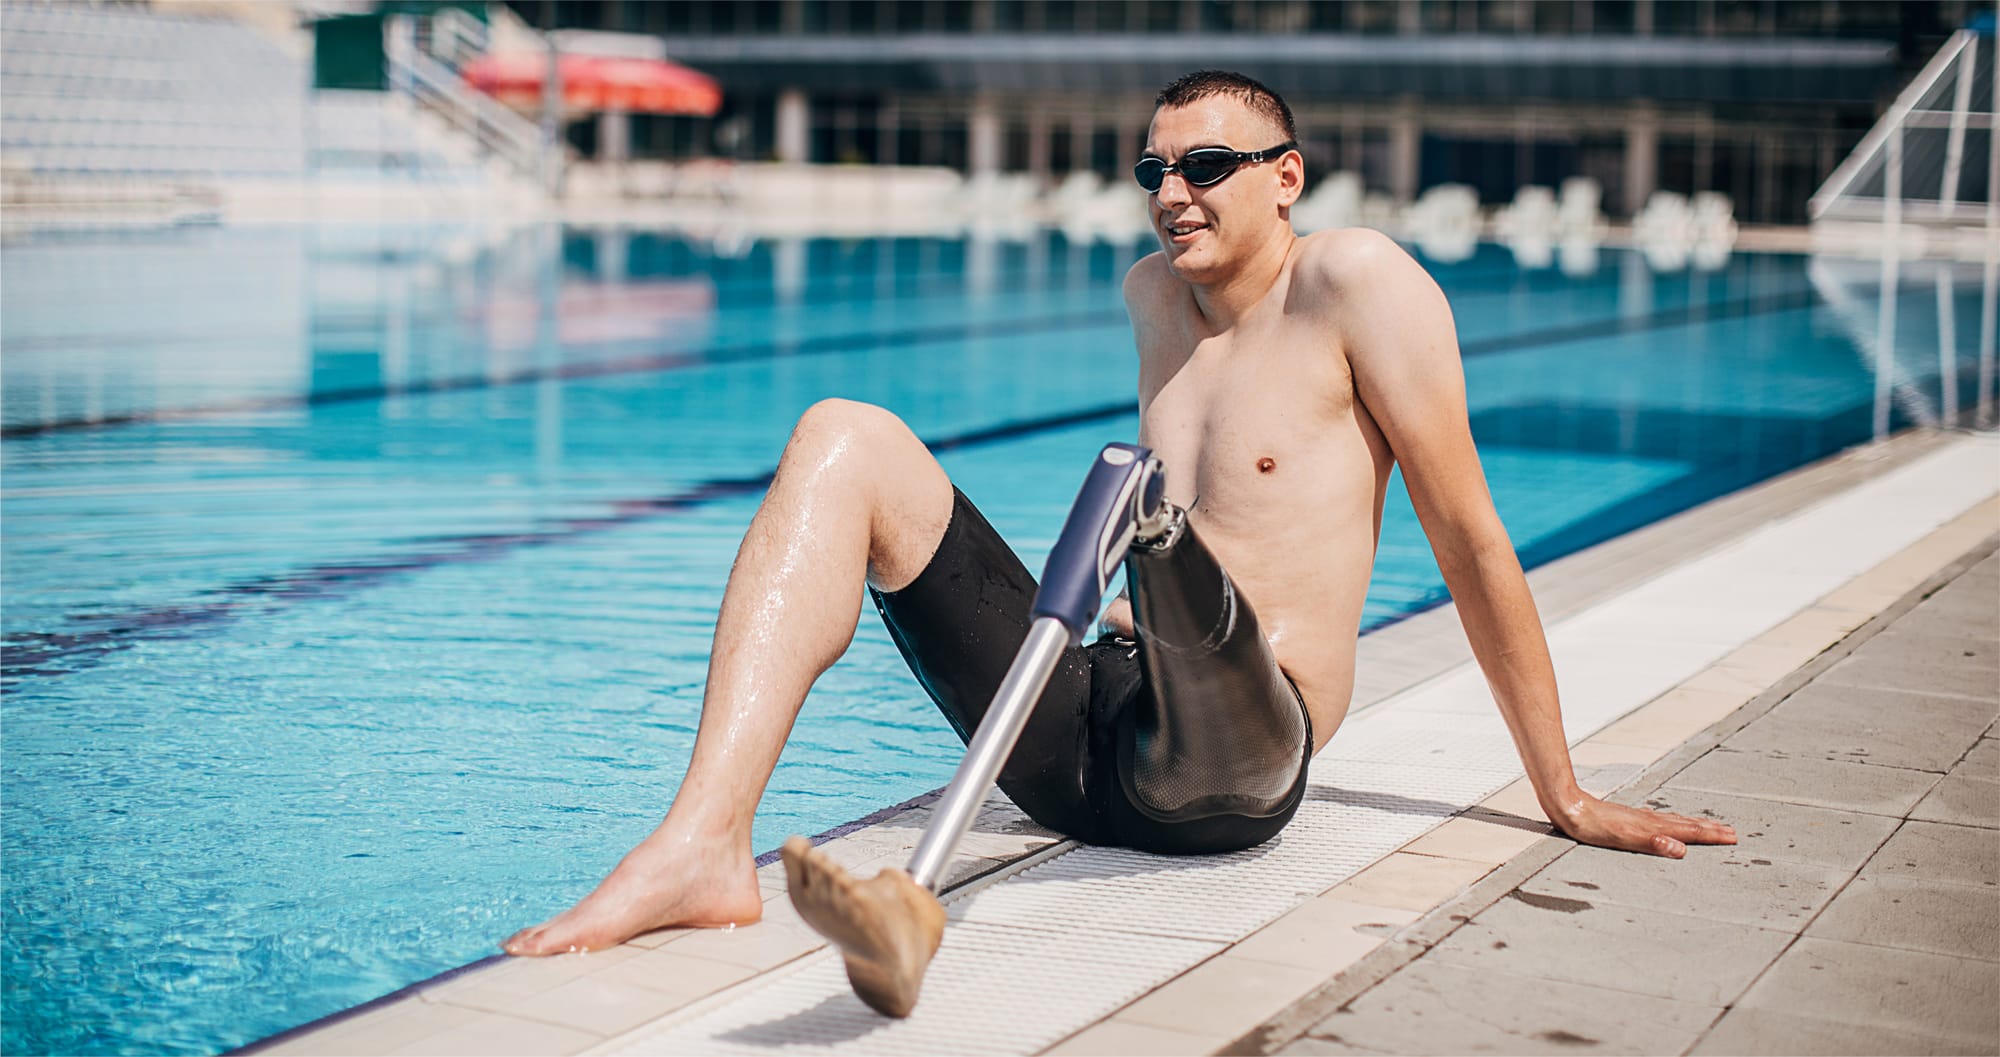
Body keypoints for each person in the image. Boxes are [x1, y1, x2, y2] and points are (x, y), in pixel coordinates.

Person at [503, 69, 1735, 961]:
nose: (1172, 194)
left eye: (1204, 168)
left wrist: (1562, 792)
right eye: (1154, 171)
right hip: (1093, 740)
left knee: (1151, 523)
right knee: (844, 436)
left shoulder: (1357, 283)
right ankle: (702, 846)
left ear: (1285, 177)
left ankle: (1151, 540)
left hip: (1237, 760)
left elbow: (1466, 538)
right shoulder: (1153, 296)